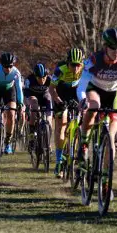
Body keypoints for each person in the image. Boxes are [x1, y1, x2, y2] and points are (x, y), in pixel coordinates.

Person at [76, 28, 117, 172]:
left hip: (113, 93)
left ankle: (105, 179)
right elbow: (81, 86)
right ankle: (84, 143)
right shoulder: (93, 60)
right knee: (94, 106)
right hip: (94, 89)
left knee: (111, 139)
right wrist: (82, 99)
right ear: (105, 47)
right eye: (113, 47)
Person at [50, 48, 84, 177]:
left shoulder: (85, 70)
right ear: (67, 63)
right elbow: (52, 88)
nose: (75, 68)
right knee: (62, 125)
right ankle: (59, 161)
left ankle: (73, 150)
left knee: (78, 125)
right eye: (72, 65)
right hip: (61, 95)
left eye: (78, 65)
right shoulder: (60, 70)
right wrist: (58, 101)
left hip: (77, 96)